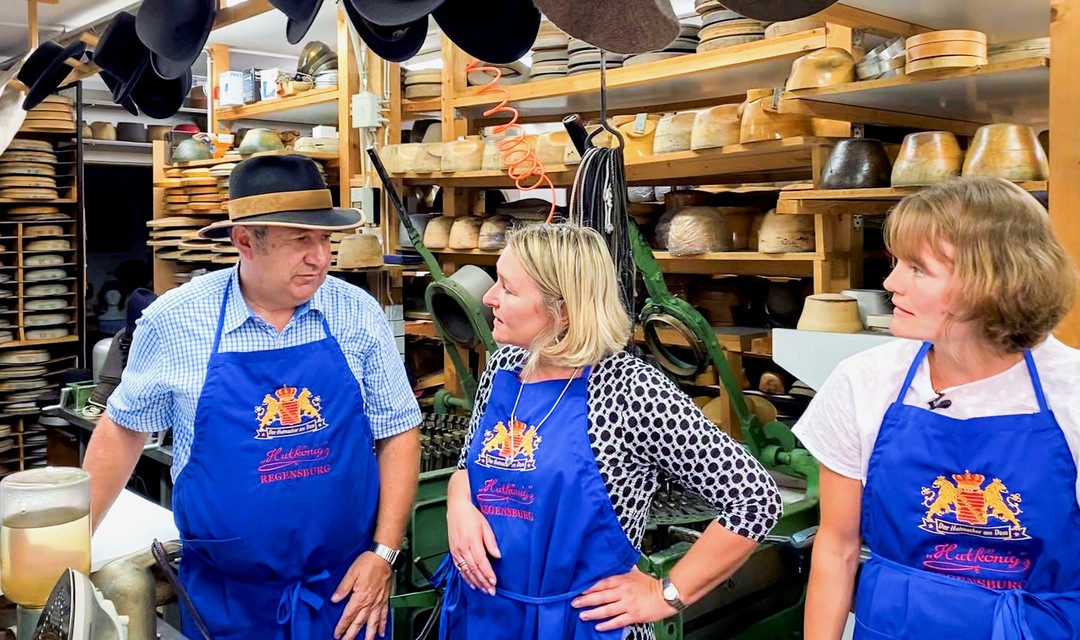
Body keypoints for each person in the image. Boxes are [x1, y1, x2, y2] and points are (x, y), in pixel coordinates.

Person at [82, 154, 422, 640]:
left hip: (347, 592)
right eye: (301, 240)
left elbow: (398, 430)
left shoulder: (356, 313)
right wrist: (73, 546)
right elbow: (124, 429)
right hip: (227, 602)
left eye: (326, 239)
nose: (321, 258)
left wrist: (384, 554)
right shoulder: (177, 321)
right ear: (244, 240)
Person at [432, 223, 783, 639]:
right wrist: (459, 505)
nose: (488, 298)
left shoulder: (629, 390)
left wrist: (665, 594)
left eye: (507, 289)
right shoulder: (504, 365)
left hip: (581, 625)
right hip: (486, 616)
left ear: (561, 309)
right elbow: (468, 464)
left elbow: (755, 499)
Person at [794, 177, 1080, 639]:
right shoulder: (864, 382)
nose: (890, 283)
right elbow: (837, 547)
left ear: (994, 281)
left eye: (918, 268)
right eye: (896, 263)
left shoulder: (1072, 391)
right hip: (894, 627)